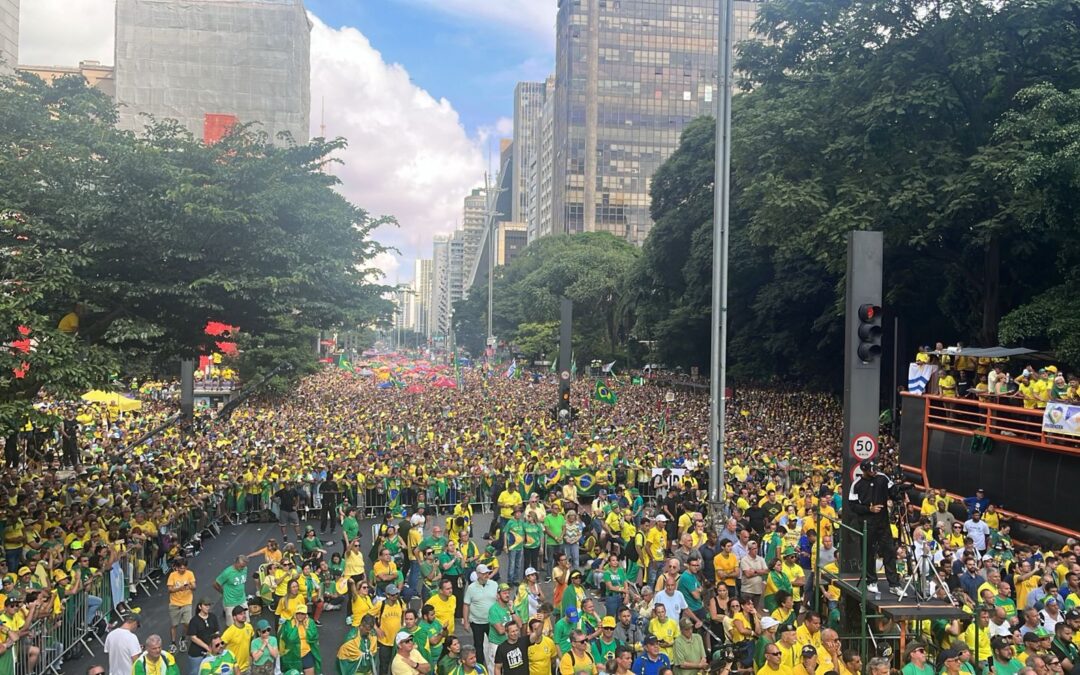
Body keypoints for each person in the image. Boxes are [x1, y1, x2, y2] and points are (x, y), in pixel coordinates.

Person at [848, 460, 903, 593]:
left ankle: (894, 584)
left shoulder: (882, 478)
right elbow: (852, 505)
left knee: (889, 550)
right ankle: (871, 580)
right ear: (864, 470)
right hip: (867, 523)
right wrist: (869, 509)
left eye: (875, 469)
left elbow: (893, 492)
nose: (874, 471)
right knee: (869, 552)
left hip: (883, 522)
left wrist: (899, 492)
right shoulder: (857, 484)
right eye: (871, 469)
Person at [464, 565, 499, 662]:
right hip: (476, 622)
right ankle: (480, 665)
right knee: (478, 645)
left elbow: (499, 600)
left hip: (492, 621)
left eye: (487, 573)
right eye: (484, 573)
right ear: (478, 574)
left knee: (494, 643)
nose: (487, 575)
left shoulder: (494, 584)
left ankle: (496, 663)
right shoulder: (471, 588)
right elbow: (466, 604)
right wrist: (466, 622)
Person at [280, 604, 321, 675]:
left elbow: (313, 637)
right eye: (298, 613)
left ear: (306, 615)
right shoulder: (289, 623)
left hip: (306, 652)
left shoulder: (310, 622)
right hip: (293, 654)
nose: (300, 615)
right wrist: (296, 626)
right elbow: (290, 639)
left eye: (303, 614)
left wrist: (306, 627)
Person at [166, 558, 196, 653]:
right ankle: (173, 643)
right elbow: (170, 589)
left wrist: (190, 586)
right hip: (174, 603)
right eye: (180, 568)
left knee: (187, 623)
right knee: (174, 624)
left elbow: (194, 586)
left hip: (187, 602)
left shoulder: (190, 574)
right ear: (177, 568)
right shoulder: (172, 575)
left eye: (184, 568)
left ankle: (183, 639)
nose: (182, 570)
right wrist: (180, 588)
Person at [213, 556, 249, 627]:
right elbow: (215, 584)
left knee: (246, 622)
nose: (242, 568)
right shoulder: (227, 572)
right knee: (232, 625)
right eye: (241, 566)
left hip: (242, 599)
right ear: (236, 563)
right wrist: (223, 592)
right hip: (230, 602)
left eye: (244, 566)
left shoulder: (245, 569)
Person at [187, 598, 219, 675]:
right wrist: (207, 647)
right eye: (205, 605)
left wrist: (214, 646)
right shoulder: (194, 620)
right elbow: (193, 637)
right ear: (200, 607)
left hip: (211, 650)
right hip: (197, 653)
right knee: (196, 672)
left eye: (209, 605)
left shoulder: (212, 617)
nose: (208, 607)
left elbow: (217, 631)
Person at [220, 605, 254, 674]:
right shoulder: (229, 632)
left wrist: (251, 656)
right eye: (240, 614)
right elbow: (220, 647)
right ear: (234, 617)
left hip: (247, 667)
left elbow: (252, 641)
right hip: (234, 669)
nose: (244, 615)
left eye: (244, 613)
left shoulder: (249, 627)